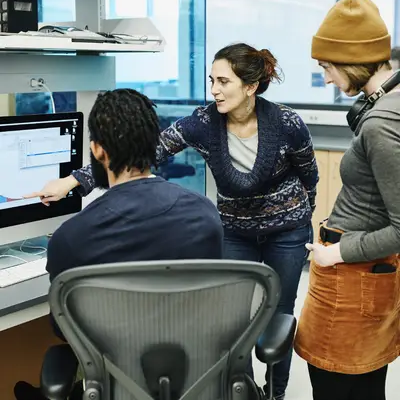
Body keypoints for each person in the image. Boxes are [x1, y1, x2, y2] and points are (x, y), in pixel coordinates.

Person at [27, 43, 319, 400]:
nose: (214, 89)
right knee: (230, 315)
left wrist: (303, 218)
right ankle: (229, 381)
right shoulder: (204, 122)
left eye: (223, 81)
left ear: (250, 87)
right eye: (212, 80)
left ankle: (275, 393)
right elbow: (144, 150)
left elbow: (309, 176)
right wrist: (75, 180)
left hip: (288, 229)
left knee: (279, 314)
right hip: (234, 228)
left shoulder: (286, 123)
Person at [16, 88, 224, 400]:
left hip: (119, 384)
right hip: (196, 379)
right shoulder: (205, 214)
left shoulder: (71, 238)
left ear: (97, 150)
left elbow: (65, 330)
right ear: (155, 145)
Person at [294, 0, 400, 400]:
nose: (325, 78)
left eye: (326, 66)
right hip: (363, 280)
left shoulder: (382, 123)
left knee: (339, 387)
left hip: (352, 283)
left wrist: (333, 254)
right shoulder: (388, 105)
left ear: (352, 60)